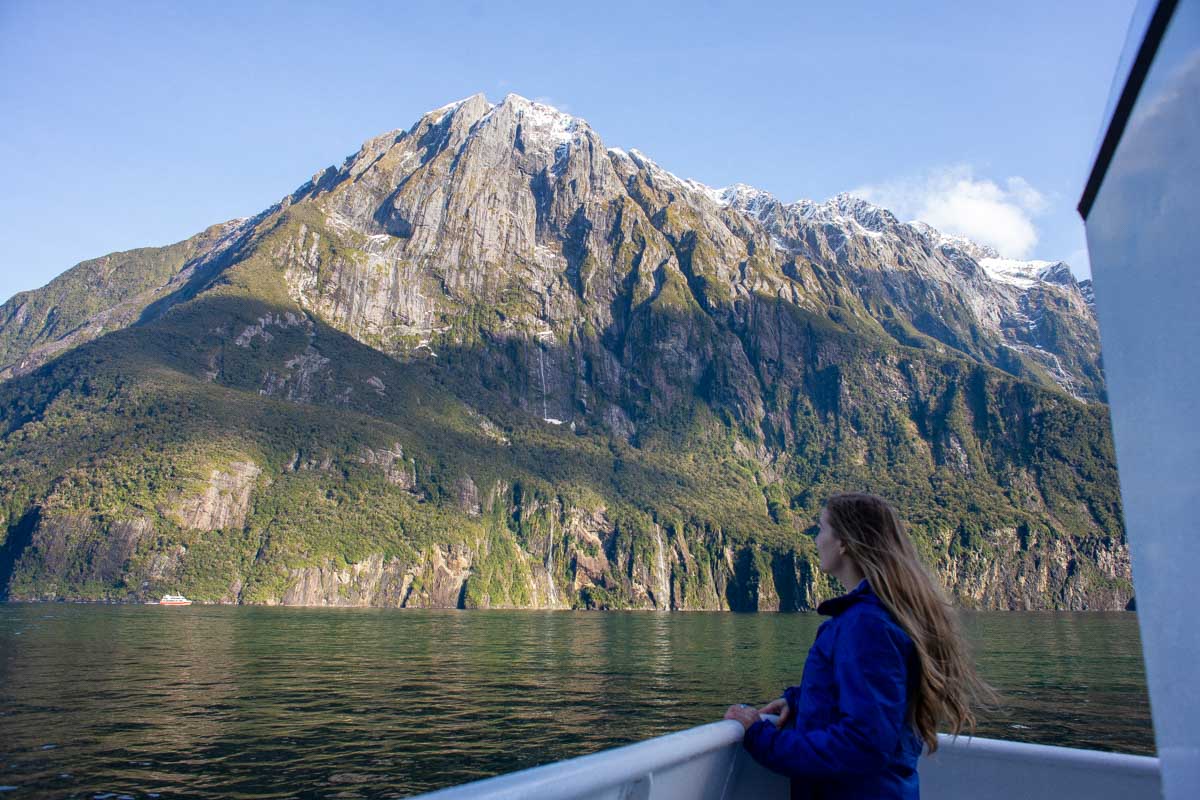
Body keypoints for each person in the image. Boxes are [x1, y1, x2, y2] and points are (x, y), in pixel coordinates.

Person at [724, 492, 994, 800]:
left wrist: (760, 736)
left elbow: (864, 743)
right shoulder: (880, 616)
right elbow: (877, 701)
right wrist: (801, 702)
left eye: (821, 529)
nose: (816, 540)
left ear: (844, 543)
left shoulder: (867, 624)